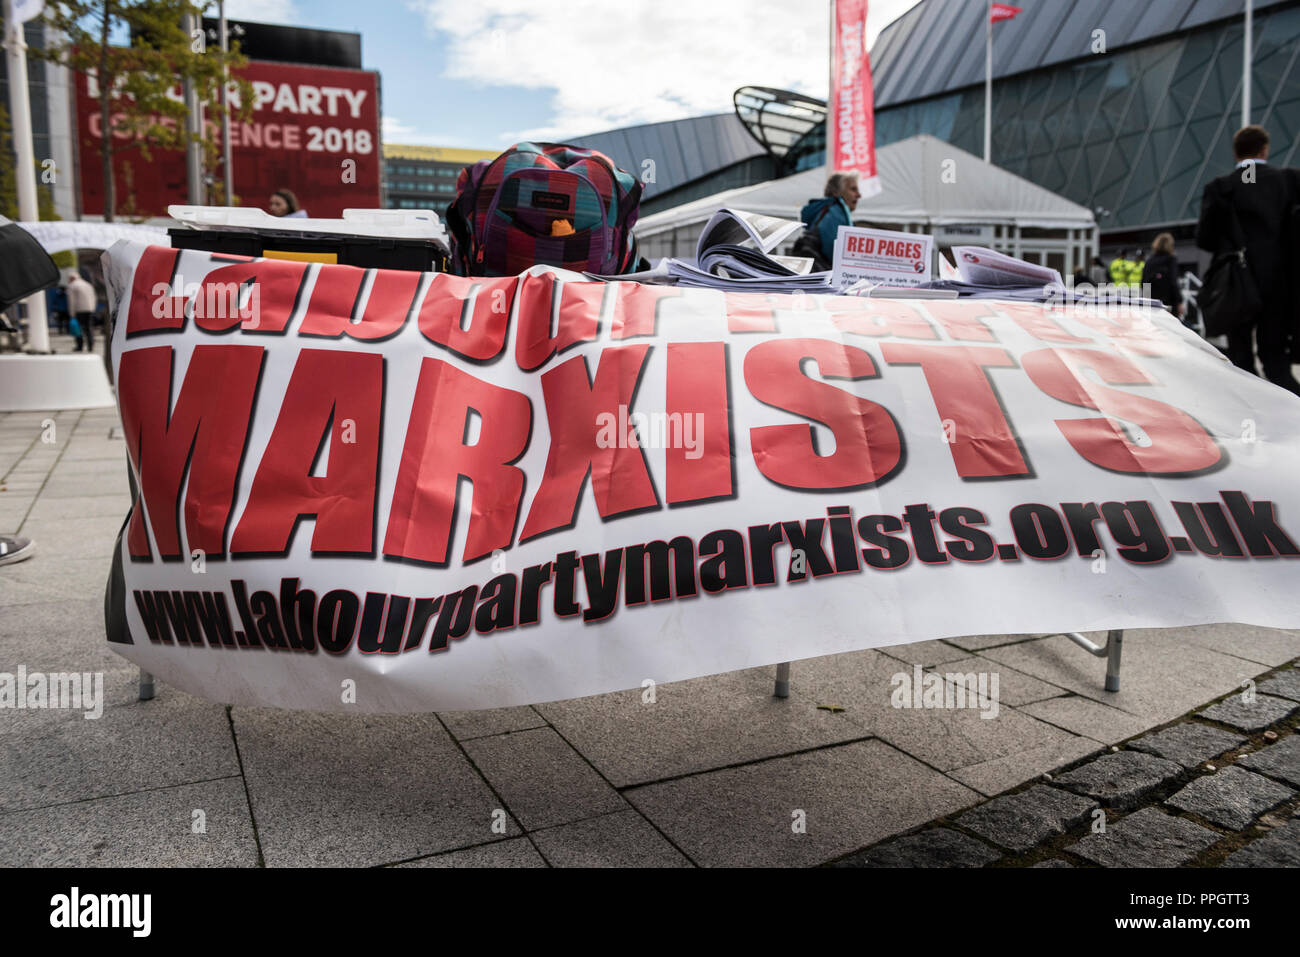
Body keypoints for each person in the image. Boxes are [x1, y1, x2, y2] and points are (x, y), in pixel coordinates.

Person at [1196, 124, 1300, 394]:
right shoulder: (1290, 181)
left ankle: (1252, 418)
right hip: (1279, 283)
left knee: (1240, 361)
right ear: (1264, 150)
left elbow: (1205, 240)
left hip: (1237, 284)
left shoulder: (1220, 188)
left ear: (1235, 153)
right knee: (1275, 359)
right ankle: (1291, 414)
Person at [797, 172, 860, 270]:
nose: (859, 195)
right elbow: (835, 253)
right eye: (853, 189)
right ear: (836, 192)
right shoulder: (836, 212)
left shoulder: (824, 209)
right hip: (819, 272)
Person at [1144, 233, 1181, 316]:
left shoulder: (1149, 261)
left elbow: (1144, 283)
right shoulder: (1170, 259)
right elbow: (1173, 282)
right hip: (1168, 304)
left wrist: (1146, 303)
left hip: (1152, 304)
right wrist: (1179, 301)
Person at [65, 270, 96, 353]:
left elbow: (72, 301)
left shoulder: (72, 286)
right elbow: (94, 297)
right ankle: (91, 346)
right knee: (89, 328)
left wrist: (71, 313)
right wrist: (92, 308)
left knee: (78, 329)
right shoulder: (88, 284)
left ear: (71, 278)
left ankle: (80, 346)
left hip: (79, 310)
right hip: (89, 309)